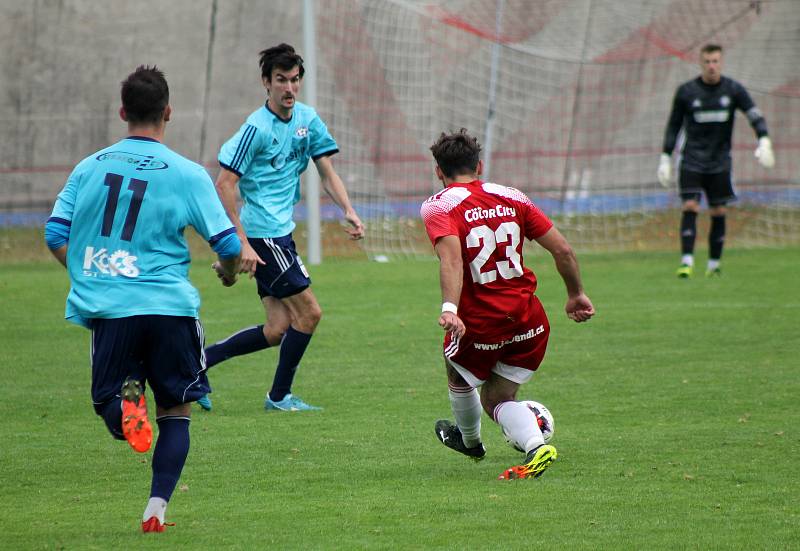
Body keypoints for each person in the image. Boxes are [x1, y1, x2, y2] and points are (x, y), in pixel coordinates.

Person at [44, 66, 241, 532]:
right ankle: (156, 509)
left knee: (110, 403)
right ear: (168, 112)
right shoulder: (188, 174)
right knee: (176, 409)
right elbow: (229, 246)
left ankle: (126, 411)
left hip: (112, 309)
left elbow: (55, 232)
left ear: (122, 112)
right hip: (170, 308)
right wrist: (228, 275)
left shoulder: (89, 168)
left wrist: (89, 274)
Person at [198, 43, 364, 412]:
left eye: (294, 80)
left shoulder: (307, 119)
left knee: (277, 329)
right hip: (263, 236)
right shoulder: (255, 129)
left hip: (280, 233)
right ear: (266, 83)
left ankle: (198, 363)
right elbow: (224, 184)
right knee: (310, 313)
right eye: (280, 80)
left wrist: (348, 209)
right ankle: (279, 397)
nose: (289, 88)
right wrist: (241, 242)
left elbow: (326, 170)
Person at [420, 129, 595, 480]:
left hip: (483, 321)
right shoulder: (512, 196)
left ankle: (470, 442)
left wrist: (450, 309)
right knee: (499, 398)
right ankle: (535, 446)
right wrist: (575, 294)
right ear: (479, 165)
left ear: (438, 171)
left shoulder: (438, 205)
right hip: (530, 318)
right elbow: (562, 249)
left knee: (457, 371)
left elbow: (452, 261)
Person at [658, 43, 774, 278]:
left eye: (715, 61)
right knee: (690, 205)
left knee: (718, 210)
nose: (711, 66)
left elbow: (754, 115)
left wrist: (764, 140)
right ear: (701, 63)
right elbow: (674, 126)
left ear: (721, 62)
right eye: (707, 62)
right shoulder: (687, 92)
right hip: (692, 159)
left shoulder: (733, 90)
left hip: (720, 161)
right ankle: (687, 262)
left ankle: (713, 265)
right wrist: (665, 157)